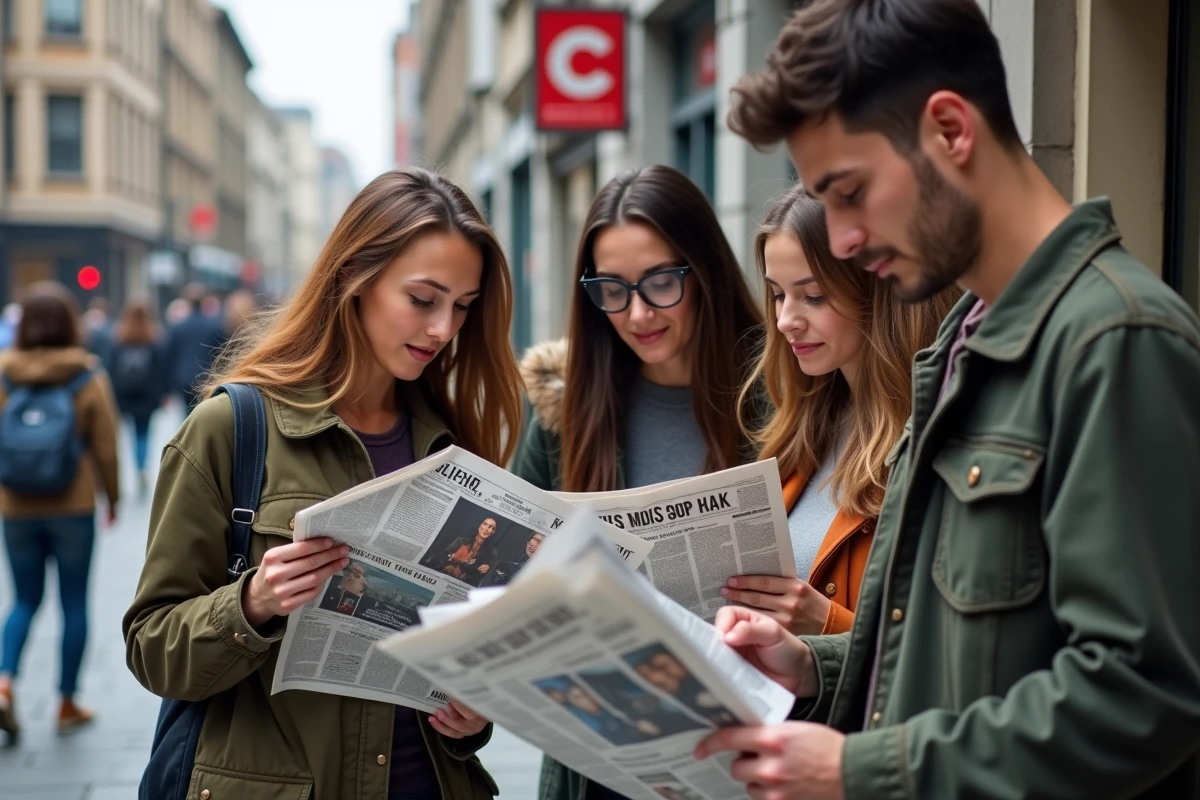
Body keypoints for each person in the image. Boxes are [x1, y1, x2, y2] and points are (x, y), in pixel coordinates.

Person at [694, 1, 1200, 797]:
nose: (847, 240)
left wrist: (861, 769)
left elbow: (1144, 693)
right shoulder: (961, 343)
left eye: (851, 192)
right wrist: (815, 666)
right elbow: (954, 651)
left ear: (951, 131)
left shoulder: (1115, 342)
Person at [123, 167, 524, 800]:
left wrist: (472, 719)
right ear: (352, 279)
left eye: (463, 308)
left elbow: (464, 661)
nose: (444, 329)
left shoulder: (453, 446)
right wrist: (252, 602)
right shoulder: (231, 428)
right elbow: (152, 648)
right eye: (423, 300)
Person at [509, 164, 763, 800]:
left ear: (702, 269)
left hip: (746, 754)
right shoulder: (563, 415)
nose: (638, 312)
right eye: (613, 290)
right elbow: (508, 574)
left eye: (659, 282)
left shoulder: (781, 405)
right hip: (600, 768)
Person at [722, 186, 956, 636]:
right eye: (777, 295)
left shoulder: (933, 442)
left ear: (879, 292)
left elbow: (944, 653)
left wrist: (825, 625)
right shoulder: (802, 432)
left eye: (813, 296)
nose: (787, 318)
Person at [0, 282, 120, 741]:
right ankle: (66, 702)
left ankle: (6, 682)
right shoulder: (85, 374)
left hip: (16, 506)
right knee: (73, 602)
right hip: (72, 505)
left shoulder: (5, 373)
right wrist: (113, 497)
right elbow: (106, 447)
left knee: (23, 599)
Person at [108, 297, 166, 495]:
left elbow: (112, 369)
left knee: (132, 434)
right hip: (147, 396)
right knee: (144, 433)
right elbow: (161, 369)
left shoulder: (120, 337)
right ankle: (142, 469)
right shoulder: (153, 337)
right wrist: (163, 393)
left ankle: (137, 467)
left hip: (126, 395)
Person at [162, 282, 226, 414]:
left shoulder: (178, 327)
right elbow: (220, 353)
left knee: (187, 414)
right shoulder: (214, 326)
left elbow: (169, 355)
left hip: (184, 379)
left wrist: (168, 385)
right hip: (206, 377)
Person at [437, 517, 499, 584]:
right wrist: (451, 556)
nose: (486, 529)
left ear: (493, 532)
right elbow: (442, 555)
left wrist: (486, 569)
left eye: (490, 527)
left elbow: (483, 575)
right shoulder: (461, 541)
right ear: (480, 526)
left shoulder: (492, 553)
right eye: (485, 524)